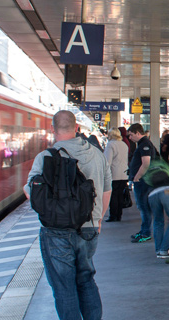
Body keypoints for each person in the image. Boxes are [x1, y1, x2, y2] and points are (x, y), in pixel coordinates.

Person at [24, 110, 111, 320]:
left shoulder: (45, 157)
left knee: (64, 287)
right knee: (86, 279)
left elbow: (30, 193)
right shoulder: (97, 155)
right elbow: (107, 190)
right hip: (89, 228)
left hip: (56, 231)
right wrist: (98, 220)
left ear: (53, 129)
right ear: (77, 129)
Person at [127, 124, 156, 243]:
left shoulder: (144, 144)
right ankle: (144, 230)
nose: (130, 138)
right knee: (143, 206)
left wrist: (137, 177)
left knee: (144, 207)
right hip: (143, 181)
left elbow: (146, 163)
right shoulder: (143, 144)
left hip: (143, 181)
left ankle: (145, 233)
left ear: (138, 133)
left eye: (131, 135)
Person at [148, 167, 169, 258]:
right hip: (167, 191)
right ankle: (164, 249)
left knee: (158, 221)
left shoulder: (150, 173)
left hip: (152, 194)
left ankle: (159, 250)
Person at [105, 128, 129, 222]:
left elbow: (108, 161)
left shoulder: (110, 145)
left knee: (113, 195)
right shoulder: (124, 144)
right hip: (124, 174)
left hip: (114, 174)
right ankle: (119, 215)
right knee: (119, 195)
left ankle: (113, 215)